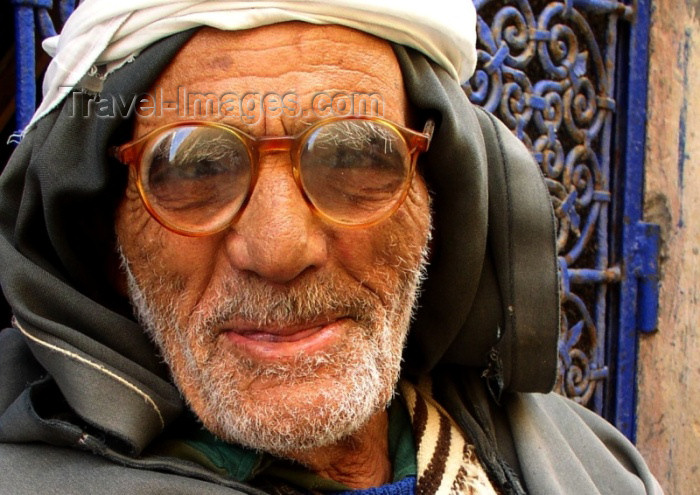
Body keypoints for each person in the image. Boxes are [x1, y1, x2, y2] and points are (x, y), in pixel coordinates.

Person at [0, 1, 662, 494]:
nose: (279, 248)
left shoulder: (593, 465)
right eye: (195, 169)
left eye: (354, 156)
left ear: (438, 203)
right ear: (109, 241)